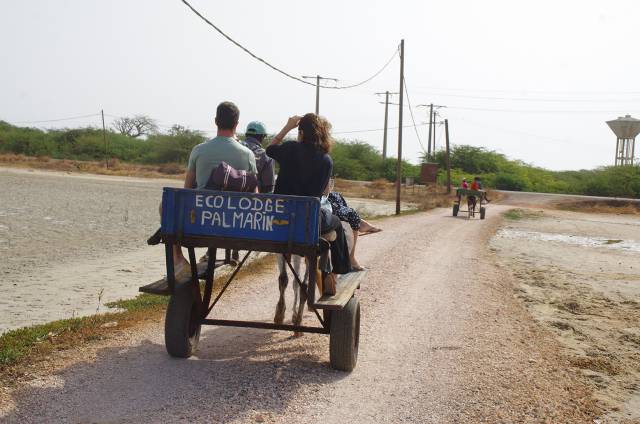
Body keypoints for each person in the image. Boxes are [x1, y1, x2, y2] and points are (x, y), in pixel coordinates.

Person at [170, 101, 257, 280]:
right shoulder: (247, 154)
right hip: (234, 224)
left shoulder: (199, 150)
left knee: (166, 205)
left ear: (216, 121)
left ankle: (177, 257)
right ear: (237, 124)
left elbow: (187, 190)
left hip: (201, 221)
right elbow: (254, 195)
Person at [266, 113, 351, 293]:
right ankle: (339, 270)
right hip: (308, 221)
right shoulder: (326, 159)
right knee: (335, 222)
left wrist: (287, 126)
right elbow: (322, 193)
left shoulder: (289, 149)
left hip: (280, 218)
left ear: (301, 132)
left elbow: (269, 149)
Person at [326, 179, 381, 271]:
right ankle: (351, 256)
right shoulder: (323, 166)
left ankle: (360, 223)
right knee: (350, 213)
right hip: (320, 207)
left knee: (337, 196)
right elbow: (323, 189)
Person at [242, 121, 276, 193]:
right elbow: (268, 188)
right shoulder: (266, 156)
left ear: (246, 135)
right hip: (255, 201)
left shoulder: (235, 148)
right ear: (262, 137)